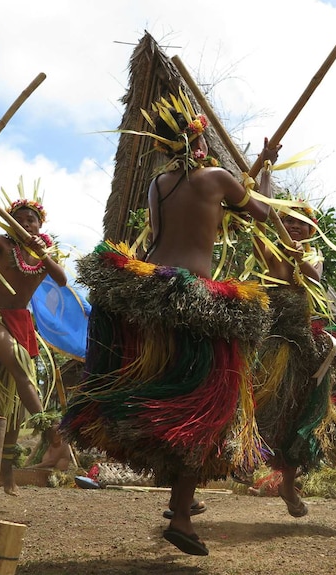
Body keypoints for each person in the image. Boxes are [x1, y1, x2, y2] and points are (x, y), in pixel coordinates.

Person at [61, 90, 280, 556]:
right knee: (202, 408)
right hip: (195, 300)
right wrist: (264, 173)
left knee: (167, 393)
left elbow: (164, 233)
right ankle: (180, 514)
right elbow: (264, 213)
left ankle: (183, 498)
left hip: (149, 286)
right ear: (200, 142)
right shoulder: (218, 179)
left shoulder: (157, 185)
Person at [251, 201, 336, 517]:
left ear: (312, 230)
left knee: (300, 416)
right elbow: (261, 216)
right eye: (288, 221)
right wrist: (264, 172)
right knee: (254, 406)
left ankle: (289, 483)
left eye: (301, 223)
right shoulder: (271, 252)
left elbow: (313, 280)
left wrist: (300, 259)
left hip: (303, 346)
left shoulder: (314, 255)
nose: (294, 227)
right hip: (270, 339)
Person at [0, 183, 70, 495]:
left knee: (10, 405)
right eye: (20, 219)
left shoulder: (43, 254)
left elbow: (62, 279)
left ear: (40, 225)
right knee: (19, 365)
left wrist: (41, 252)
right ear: (9, 222)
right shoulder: (0, 243)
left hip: (20, 323)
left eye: (32, 220)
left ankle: (5, 475)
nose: (26, 224)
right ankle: (50, 427)